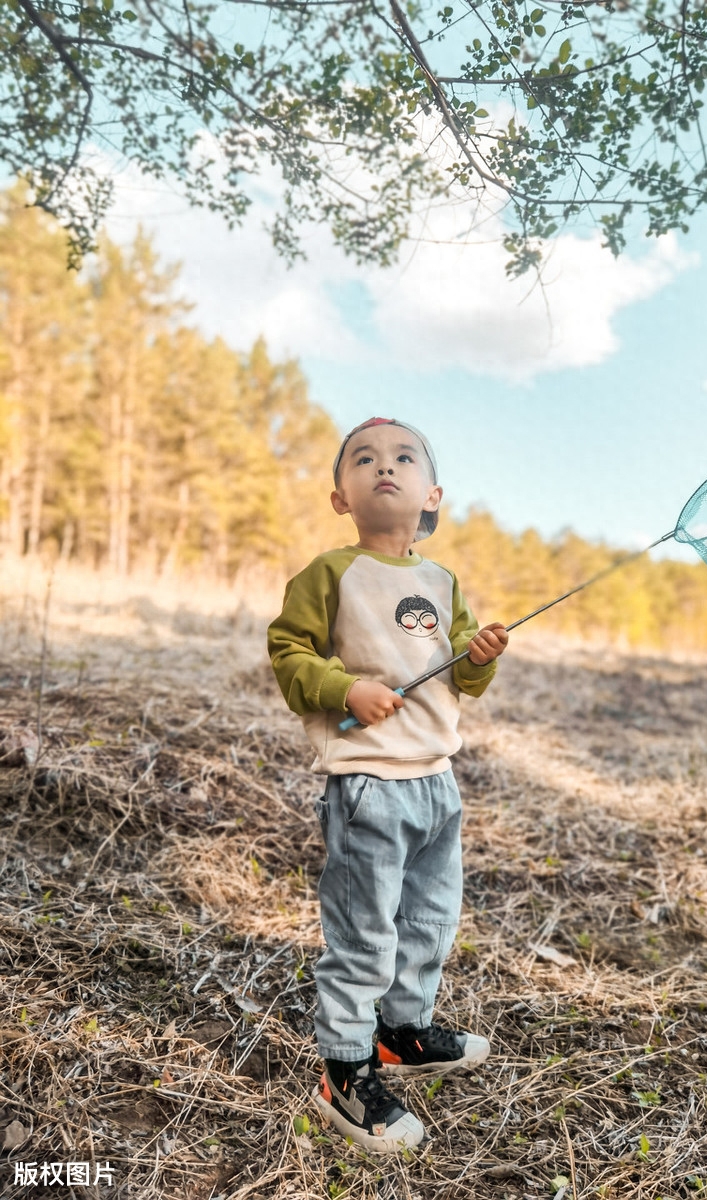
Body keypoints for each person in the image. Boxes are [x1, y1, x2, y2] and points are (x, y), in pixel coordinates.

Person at [267, 417, 508, 1153]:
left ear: (431, 493)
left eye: (404, 457)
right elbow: (288, 652)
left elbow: (466, 677)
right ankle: (345, 1067)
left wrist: (481, 655)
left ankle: (403, 1029)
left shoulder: (442, 581)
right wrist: (346, 690)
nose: (384, 466)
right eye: (363, 459)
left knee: (431, 918)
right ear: (341, 497)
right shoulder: (330, 574)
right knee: (365, 931)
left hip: (437, 782)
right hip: (369, 783)